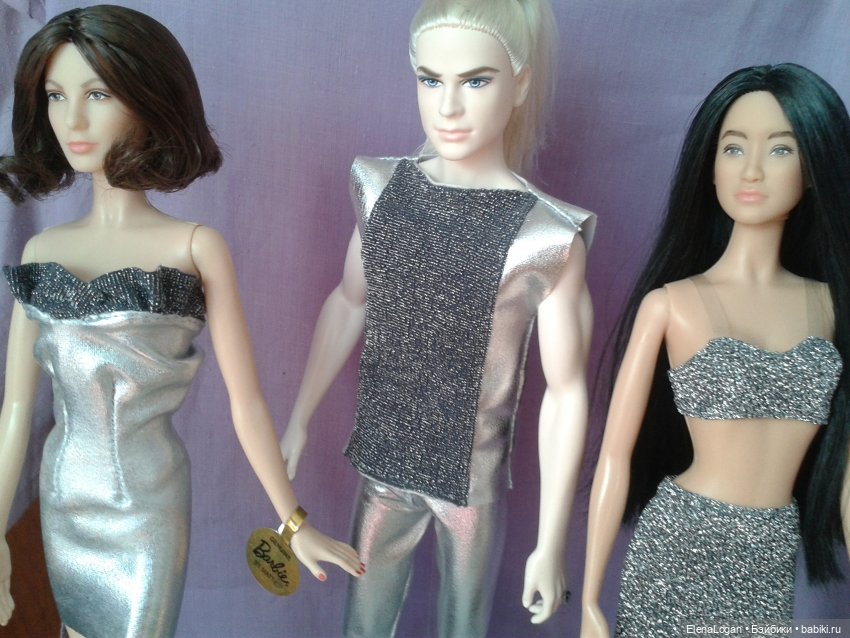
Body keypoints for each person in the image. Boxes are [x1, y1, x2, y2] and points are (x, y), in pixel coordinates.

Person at [0, 6, 362, 638]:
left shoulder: (194, 247)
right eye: (56, 96)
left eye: (97, 94)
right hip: (64, 498)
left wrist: (293, 521)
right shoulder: (39, 253)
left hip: (149, 503)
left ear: (147, 100)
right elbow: (14, 409)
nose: (71, 120)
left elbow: (246, 403)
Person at [279, 1, 596, 636]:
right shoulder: (383, 191)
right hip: (384, 465)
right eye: (430, 80)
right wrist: (298, 419)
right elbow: (348, 303)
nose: (448, 107)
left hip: (471, 486)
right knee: (362, 622)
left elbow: (567, 392)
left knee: (463, 625)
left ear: (520, 84)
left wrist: (551, 540)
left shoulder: (544, 235)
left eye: (475, 81)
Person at [581, 63, 850, 637]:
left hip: (769, 553)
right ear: (710, 166)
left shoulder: (833, 306)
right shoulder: (672, 304)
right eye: (733, 148)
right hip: (678, 545)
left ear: (814, 168)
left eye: (780, 150)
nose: (751, 170)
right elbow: (614, 457)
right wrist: (589, 602)